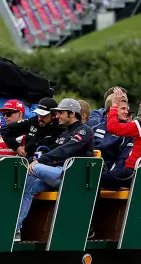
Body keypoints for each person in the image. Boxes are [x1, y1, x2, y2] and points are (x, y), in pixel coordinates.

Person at [14, 99, 93, 241]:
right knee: (28, 182)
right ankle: (16, 229)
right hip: (58, 174)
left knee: (35, 167)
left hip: (74, 176)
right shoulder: (64, 134)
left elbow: (66, 150)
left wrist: (39, 161)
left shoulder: (84, 130)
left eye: (60, 113)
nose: (57, 116)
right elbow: (55, 152)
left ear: (72, 113)